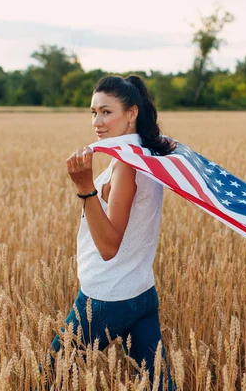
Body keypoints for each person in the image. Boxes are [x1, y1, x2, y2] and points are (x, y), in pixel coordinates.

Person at [46, 75, 176, 390]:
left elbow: (109, 246)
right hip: (142, 292)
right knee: (159, 385)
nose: (97, 122)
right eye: (93, 112)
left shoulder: (127, 165)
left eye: (107, 112)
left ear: (131, 113)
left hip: (107, 297)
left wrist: (85, 187)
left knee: (50, 376)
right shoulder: (143, 153)